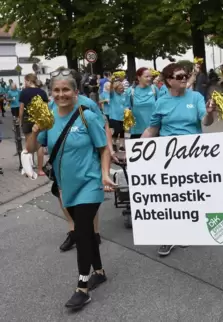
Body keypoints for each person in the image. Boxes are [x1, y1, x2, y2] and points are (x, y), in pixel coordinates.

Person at [26, 70, 115, 310]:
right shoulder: (49, 118)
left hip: (90, 182)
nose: (61, 94)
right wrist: (34, 131)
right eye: (56, 90)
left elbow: (103, 148)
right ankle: (99, 271)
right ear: (51, 94)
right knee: (85, 233)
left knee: (82, 231)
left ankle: (82, 287)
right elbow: (31, 147)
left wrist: (105, 174)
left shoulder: (88, 116)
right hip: (67, 186)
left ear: (76, 92)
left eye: (66, 90)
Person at [141, 62, 216, 257]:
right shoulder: (161, 102)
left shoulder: (196, 97)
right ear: (168, 81)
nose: (184, 79)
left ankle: (187, 230)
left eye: (185, 76)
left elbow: (205, 121)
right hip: (168, 156)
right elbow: (152, 129)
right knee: (169, 196)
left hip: (193, 153)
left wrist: (209, 113)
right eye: (179, 77)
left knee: (189, 195)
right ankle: (168, 236)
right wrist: (136, 150)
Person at [47, 67, 117, 252]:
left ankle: (94, 232)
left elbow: (103, 125)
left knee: (87, 200)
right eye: (57, 89)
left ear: (75, 87)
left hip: (86, 157)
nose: (61, 94)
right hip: (61, 162)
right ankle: (73, 230)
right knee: (62, 195)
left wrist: (109, 150)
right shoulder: (52, 105)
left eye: (66, 86)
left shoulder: (87, 104)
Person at [19, 74, 48, 174]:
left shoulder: (24, 92)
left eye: (25, 81)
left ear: (29, 81)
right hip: (39, 120)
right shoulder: (42, 92)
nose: (24, 83)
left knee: (28, 144)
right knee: (40, 145)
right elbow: (46, 108)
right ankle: (40, 170)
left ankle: (29, 168)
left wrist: (20, 120)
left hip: (27, 119)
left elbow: (21, 108)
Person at [126, 67, 159, 139]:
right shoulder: (130, 91)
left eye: (151, 76)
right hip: (136, 130)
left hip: (153, 129)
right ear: (139, 77)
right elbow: (127, 110)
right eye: (146, 76)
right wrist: (127, 129)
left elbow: (160, 107)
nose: (149, 79)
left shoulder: (154, 89)